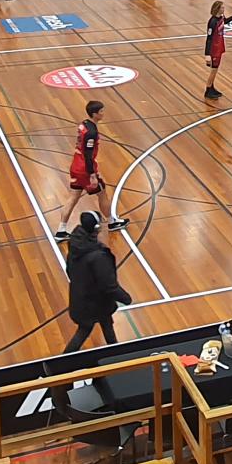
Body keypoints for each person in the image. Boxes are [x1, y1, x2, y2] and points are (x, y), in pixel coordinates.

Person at [56, 101, 130, 240]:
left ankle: (61, 229)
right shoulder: (92, 132)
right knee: (102, 194)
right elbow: (88, 154)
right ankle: (112, 222)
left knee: (73, 198)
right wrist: (92, 175)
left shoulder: (84, 124)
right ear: (95, 114)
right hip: (85, 169)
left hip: (76, 166)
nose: (103, 113)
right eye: (101, 111)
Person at [62, 211, 131, 351]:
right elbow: (109, 285)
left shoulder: (75, 244)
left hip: (82, 297)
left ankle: (115, 351)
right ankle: (61, 363)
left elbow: (69, 270)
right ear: (96, 228)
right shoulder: (98, 256)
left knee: (106, 323)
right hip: (94, 301)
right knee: (84, 330)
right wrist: (126, 298)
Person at [202, 0, 232, 100]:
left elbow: (225, 21)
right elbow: (209, 38)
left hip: (219, 46)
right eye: (222, 7)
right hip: (213, 49)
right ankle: (208, 90)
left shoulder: (221, 18)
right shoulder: (212, 22)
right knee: (213, 70)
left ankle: (211, 87)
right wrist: (207, 54)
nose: (224, 9)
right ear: (218, 9)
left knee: (215, 70)